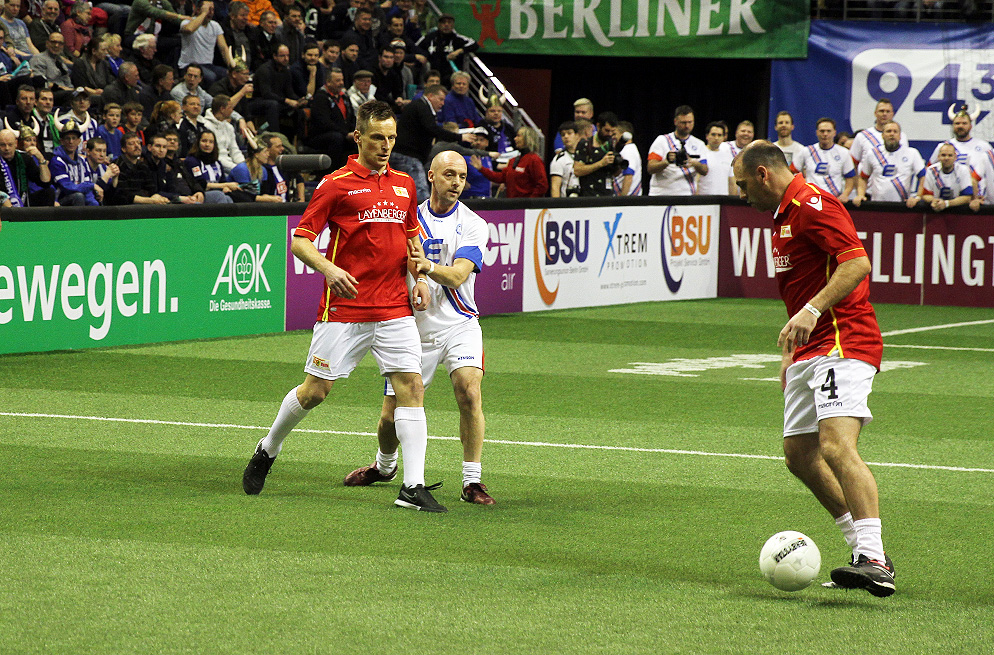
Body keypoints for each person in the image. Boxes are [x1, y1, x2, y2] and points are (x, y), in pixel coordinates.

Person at [242, 100, 447, 513]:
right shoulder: (336, 184)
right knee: (315, 392)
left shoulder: (405, 185)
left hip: (393, 308)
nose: (386, 145)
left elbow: (412, 238)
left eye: (391, 138)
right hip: (345, 310)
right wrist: (328, 268)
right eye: (377, 138)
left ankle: (412, 487)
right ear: (358, 137)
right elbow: (300, 240)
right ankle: (269, 447)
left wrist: (421, 278)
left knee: (412, 387)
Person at [732, 140, 895, 598]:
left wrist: (812, 310)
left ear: (763, 174)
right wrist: (791, 349)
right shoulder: (782, 215)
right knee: (799, 455)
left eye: (743, 185)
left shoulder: (812, 203)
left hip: (844, 340)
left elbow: (857, 262)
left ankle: (874, 558)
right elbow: (801, 286)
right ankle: (863, 553)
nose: (741, 195)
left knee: (836, 446)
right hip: (809, 349)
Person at [344, 149, 495, 505]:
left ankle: (472, 481)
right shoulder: (406, 219)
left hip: (459, 323)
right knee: (390, 418)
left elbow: (458, 276)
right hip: (411, 328)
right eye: (449, 175)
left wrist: (426, 268)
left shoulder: (474, 224)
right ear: (431, 176)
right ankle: (384, 466)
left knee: (469, 391)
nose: (456, 183)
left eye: (462, 176)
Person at [391, 82, 463, 202]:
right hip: (407, 157)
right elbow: (432, 129)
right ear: (430, 96)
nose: (442, 103)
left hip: (406, 155)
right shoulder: (421, 107)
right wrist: (460, 137)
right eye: (440, 99)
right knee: (421, 194)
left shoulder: (420, 107)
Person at [853, 121, 924, 206]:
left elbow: (923, 177)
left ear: (900, 136)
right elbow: (863, 178)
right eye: (888, 131)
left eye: (895, 131)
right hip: (877, 205)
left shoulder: (912, 153)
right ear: (882, 135)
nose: (892, 134)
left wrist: (918, 197)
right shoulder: (873, 153)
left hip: (902, 206)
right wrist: (860, 195)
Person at [647, 105, 708, 196]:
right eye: (683, 123)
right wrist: (666, 162)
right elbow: (650, 168)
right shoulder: (662, 140)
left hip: (686, 195)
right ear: (675, 121)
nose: (687, 126)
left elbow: (705, 170)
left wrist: (694, 163)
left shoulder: (699, 144)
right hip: (662, 194)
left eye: (690, 122)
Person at [473, 125, 547, 198]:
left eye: (518, 136)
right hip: (512, 203)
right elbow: (500, 177)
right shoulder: (513, 160)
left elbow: (542, 185)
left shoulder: (534, 160)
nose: (515, 139)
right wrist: (481, 169)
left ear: (527, 139)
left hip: (526, 204)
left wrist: (531, 202)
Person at [794, 117, 856, 201]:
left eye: (828, 131)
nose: (825, 134)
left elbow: (850, 178)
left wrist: (845, 194)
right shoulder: (807, 151)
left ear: (834, 133)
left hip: (833, 200)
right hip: (811, 199)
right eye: (822, 131)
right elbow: (792, 171)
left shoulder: (844, 153)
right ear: (817, 132)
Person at [908, 142, 980, 213]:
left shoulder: (963, 170)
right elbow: (925, 195)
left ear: (955, 157)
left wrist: (946, 204)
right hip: (935, 210)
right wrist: (934, 201)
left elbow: (967, 197)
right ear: (938, 157)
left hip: (958, 212)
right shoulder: (931, 170)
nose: (946, 158)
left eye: (950, 155)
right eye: (943, 155)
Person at [305, 67, 355, 166]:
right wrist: (346, 134)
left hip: (343, 133)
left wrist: (355, 132)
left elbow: (351, 117)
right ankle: (333, 170)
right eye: (338, 81)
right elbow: (324, 123)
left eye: (342, 80)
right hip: (321, 136)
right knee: (337, 138)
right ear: (328, 82)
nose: (341, 83)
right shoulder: (320, 97)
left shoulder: (344, 96)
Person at [415, 12, 477, 86]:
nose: (446, 25)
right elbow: (415, 47)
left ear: (453, 25)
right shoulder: (429, 38)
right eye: (443, 22)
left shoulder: (457, 38)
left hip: (450, 78)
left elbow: (474, 44)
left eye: (449, 22)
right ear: (439, 24)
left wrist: (458, 51)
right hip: (431, 76)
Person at [178, 0, 231, 86]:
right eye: (208, 9)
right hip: (190, 65)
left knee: (228, 75)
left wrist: (231, 66)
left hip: (208, 65)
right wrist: (203, 14)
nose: (210, 12)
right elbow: (189, 29)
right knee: (211, 77)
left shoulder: (215, 25)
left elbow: (223, 48)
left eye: (212, 9)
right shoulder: (187, 22)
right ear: (198, 10)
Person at [112, 131, 171, 204]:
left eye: (138, 143)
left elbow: (151, 189)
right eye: (132, 143)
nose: (137, 146)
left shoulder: (142, 166)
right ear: (124, 149)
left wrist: (158, 197)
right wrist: (151, 200)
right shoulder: (117, 165)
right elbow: (122, 195)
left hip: (143, 204)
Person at [0, 127, 54, 207]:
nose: (7, 148)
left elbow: (45, 182)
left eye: (10, 144)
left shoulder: (24, 158)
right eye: (2, 145)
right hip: (3, 204)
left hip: (23, 201)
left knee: (49, 192)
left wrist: (41, 159)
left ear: (16, 144)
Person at [849, 98, 909, 170]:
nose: (884, 114)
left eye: (888, 111)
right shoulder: (862, 136)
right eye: (881, 111)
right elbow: (852, 163)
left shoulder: (901, 136)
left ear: (892, 114)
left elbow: (905, 160)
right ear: (875, 113)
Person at [50, 120, 98, 205]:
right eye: (67, 138)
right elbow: (67, 187)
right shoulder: (57, 161)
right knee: (78, 196)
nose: (71, 142)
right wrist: (92, 186)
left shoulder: (82, 161)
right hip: (60, 203)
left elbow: (87, 186)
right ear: (62, 141)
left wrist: (94, 205)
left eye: (74, 138)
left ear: (79, 141)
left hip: (78, 199)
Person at [572, 111, 618, 197]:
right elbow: (577, 170)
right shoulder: (585, 144)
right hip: (589, 196)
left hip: (608, 194)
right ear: (598, 126)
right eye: (607, 130)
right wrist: (600, 163)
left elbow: (615, 173)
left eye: (613, 132)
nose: (610, 134)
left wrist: (618, 165)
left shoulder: (612, 145)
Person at [185, 129, 239, 197]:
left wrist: (225, 188)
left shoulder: (217, 163)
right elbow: (201, 184)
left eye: (211, 142)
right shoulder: (192, 161)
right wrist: (225, 185)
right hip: (200, 194)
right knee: (219, 195)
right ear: (198, 142)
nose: (207, 144)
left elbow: (222, 181)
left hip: (218, 192)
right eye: (204, 141)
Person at [203, 94, 245, 173]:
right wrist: (236, 168)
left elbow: (234, 150)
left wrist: (243, 165)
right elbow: (214, 155)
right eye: (230, 108)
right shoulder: (206, 126)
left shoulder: (229, 127)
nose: (232, 111)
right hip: (216, 165)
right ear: (222, 109)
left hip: (231, 164)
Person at [698, 121, 735, 196]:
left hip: (724, 199)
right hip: (704, 199)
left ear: (723, 137)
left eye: (719, 135)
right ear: (707, 136)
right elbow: (695, 180)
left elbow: (732, 182)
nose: (716, 138)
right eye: (713, 134)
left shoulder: (728, 156)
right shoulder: (700, 153)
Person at [549, 120, 579, 198]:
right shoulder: (559, 160)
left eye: (569, 133)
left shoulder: (585, 155)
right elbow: (555, 187)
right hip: (567, 201)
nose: (566, 136)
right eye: (563, 135)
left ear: (577, 135)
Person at [612, 120, 641, 196]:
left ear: (624, 135)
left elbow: (628, 176)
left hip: (628, 197)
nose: (613, 137)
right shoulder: (627, 149)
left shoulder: (628, 150)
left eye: (615, 134)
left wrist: (623, 199)